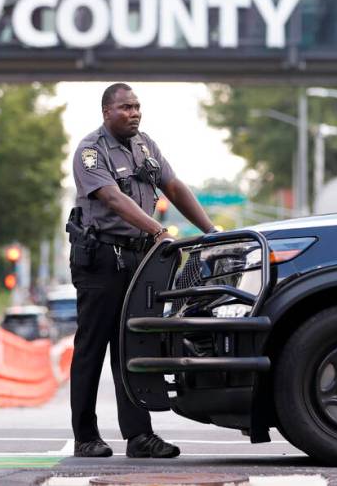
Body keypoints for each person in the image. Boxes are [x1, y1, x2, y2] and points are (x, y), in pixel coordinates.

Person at [68, 82, 217, 459]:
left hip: (138, 259)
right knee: (92, 348)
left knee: (133, 346)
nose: (134, 113)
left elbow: (173, 186)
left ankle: (139, 437)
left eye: (137, 106)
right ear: (106, 112)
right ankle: (86, 436)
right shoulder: (91, 151)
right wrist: (158, 230)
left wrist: (212, 232)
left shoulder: (145, 145)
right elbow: (112, 199)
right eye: (126, 107)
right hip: (100, 258)